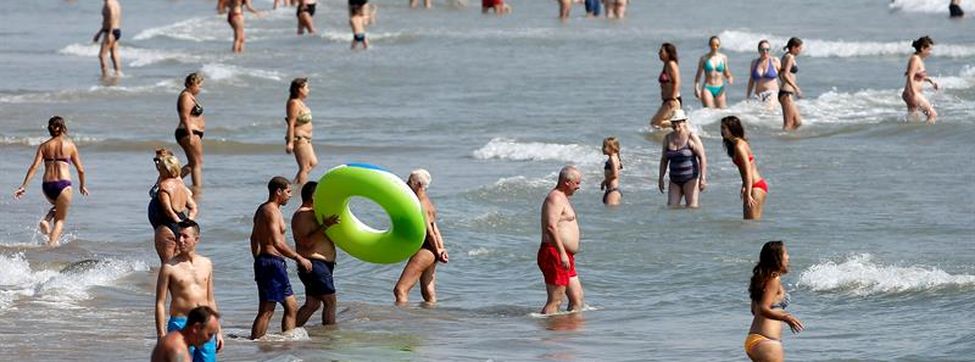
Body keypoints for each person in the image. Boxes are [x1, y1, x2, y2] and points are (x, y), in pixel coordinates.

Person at [249, 176, 313, 340]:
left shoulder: (264, 209)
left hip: (270, 263)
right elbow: (277, 243)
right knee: (267, 309)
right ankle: (255, 344)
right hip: (271, 264)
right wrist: (299, 258)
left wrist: (258, 259)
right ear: (278, 191)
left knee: (291, 306)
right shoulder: (270, 211)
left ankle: (288, 345)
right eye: (288, 191)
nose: (290, 195)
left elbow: (253, 238)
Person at [14, 116, 89, 247]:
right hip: (64, 185)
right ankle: (51, 245)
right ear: (63, 127)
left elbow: (34, 167)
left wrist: (23, 186)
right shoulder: (70, 145)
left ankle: (46, 220)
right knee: (60, 219)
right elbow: (81, 170)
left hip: (47, 186)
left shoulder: (44, 146)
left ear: (50, 128)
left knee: (58, 207)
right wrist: (82, 185)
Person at [154, 220, 222, 362]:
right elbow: (160, 302)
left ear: (196, 239)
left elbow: (210, 299)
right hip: (180, 323)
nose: (180, 240)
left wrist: (218, 331)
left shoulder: (206, 264)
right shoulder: (169, 267)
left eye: (185, 236)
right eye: (178, 236)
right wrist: (161, 334)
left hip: (205, 323)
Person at [394, 169, 449, 305]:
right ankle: (430, 319)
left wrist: (437, 251)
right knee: (428, 292)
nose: (406, 184)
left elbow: (430, 233)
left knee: (400, 290)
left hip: (425, 250)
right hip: (432, 250)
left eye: (409, 181)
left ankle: (400, 320)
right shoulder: (428, 202)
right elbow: (436, 229)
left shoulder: (420, 205)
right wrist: (441, 249)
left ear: (418, 184)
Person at [745, 241, 804, 361]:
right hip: (767, 342)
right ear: (777, 257)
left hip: (754, 340)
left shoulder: (761, 279)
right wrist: (786, 318)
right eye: (785, 253)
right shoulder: (773, 279)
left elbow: (754, 310)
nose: (788, 257)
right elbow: (762, 309)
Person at [293, 181, 341, 326]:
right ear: (313, 196)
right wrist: (325, 225)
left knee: (313, 304)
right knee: (330, 302)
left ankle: (289, 331)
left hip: (321, 265)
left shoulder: (315, 214)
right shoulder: (302, 215)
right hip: (314, 265)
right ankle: (329, 339)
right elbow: (306, 242)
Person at [538, 166, 584, 315]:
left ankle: (567, 334)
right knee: (555, 300)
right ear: (567, 182)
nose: (578, 186)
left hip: (564, 255)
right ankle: (549, 336)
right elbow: (550, 227)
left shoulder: (563, 198)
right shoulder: (555, 198)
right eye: (577, 183)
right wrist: (562, 253)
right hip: (555, 252)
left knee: (577, 299)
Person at [149, 149, 197, 264]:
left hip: (167, 225)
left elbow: (168, 210)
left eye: (159, 161)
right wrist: (187, 222)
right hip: (175, 223)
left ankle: (166, 282)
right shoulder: (165, 180)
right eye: (155, 160)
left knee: (167, 264)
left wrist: (179, 222)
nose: (157, 164)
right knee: (176, 262)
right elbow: (193, 207)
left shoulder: (166, 184)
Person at [657, 109, 707, 208]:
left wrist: (703, 178)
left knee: (691, 209)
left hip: (690, 179)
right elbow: (664, 160)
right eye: (673, 122)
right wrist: (661, 178)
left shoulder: (691, 137)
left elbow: (702, 157)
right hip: (674, 180)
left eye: (678, 122)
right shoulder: (667, 138)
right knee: (671, 208)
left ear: (684, 122)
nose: (676, 124)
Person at [721, 116, 767, 220]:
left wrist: (748, 193)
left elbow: (747, 171)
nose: (722, 131)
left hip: (755, 187)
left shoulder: (739, 146)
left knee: (751, 224)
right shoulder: (737, 144)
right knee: (751, 225)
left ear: (732, 128)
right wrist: (744, 186)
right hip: (753, 186)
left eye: (724, 128)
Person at [152, 306, 221, 362]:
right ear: (196, 328)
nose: (209, 340)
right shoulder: (178, 350)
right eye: (210, 334)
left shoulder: (171, 338)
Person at [176, 73, 206, 197]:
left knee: (194, 163)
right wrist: (190, 135)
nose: (199, 88)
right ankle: (197, 190)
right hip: (189, 132)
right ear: (190, 84)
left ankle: (173, 180)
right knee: (196, 164)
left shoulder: (190, 96)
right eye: (198, 85)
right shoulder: (185, 97)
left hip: (193, 132)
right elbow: (184, 116)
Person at [285, 78, 318, 185]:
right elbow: (291, 123)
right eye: (306, 87)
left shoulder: (301, 103)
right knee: (304, 167)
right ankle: (302, 190)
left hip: (307, 138)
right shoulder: (293, 103)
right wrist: (290, 142)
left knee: (313, 163)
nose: (308, 90)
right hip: (299, 138)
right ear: (299, 89)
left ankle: (293, 186)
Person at [902, 36, 939, 124]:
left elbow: (915, 75)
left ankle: (913, 136)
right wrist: (914, 94)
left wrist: (930, 81)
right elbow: (910, 76)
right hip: (913, 93)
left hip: (910, 93)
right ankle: (927, 135)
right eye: (929, 50)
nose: (930, 52)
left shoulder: (918, 59)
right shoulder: (915, 59)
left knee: (914, 119)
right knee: (933, 114)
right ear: (922, 48)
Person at [694, 36, 734, 109]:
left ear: (719, 45)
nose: (715, 47)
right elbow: (698, 76)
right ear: (710, 45)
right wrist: (696, 89)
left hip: (720, 88)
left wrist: (729, 77)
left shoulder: (723, 57)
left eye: (717, 45)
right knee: (709, 111)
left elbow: (726, 72)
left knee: (722, 111)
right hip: (707, 87)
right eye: (713, 45)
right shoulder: (704, 58)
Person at [650, 43, 681, 129]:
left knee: (655, 123)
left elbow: (677, 82)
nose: (659, 53)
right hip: (667, 100)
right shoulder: (666, 64)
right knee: (659, 126)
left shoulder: (671, 64)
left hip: (672, 100)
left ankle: (681, 124)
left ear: (668, 53)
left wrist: (672, 98)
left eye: (661, 51)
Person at [746, 40, 781, 107]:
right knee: (759, 115)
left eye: (767, 49)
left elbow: (782, 77)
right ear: (759, 50)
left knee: (768, 111)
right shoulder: (754, 63)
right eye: (762, 49)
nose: (765, 51)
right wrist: (748, 96)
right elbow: (751, 81)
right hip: (758, 95)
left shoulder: (774, 61)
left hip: (772, 93)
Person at [778, 37, 804, 130]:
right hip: (786, 93)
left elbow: (781, 73)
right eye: (799, 48)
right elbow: (785, 74)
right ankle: (783, 141)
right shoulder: (790, 57)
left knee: (797, 122)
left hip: (787, 93)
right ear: (793, 47)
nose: (800, 51)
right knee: (788, 124)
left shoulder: (786, 56)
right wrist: (796, 87)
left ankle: (788, 142)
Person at [92, 0, 121, 78]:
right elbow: (107, 20)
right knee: (114, 54)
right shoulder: (115, 2)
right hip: (116, 30)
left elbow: (113, 16)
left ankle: (105, 75)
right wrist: (99, 33)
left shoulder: (109, 3)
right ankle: (118, 73)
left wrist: (110, 33)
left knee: (102, 55)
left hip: (110, 31)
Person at [600, 137, 622, 206]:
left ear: (612, 148)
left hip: (613, 191)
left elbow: (615, 175)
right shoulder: (614, 158)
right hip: (610, 190)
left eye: (604, 146)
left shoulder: (613, 158)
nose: (602, 148)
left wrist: (604, 182)